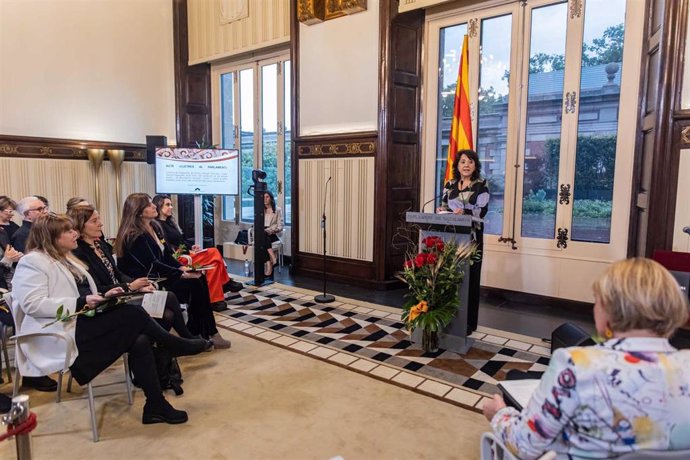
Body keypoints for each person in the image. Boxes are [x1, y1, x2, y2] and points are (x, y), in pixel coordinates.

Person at [483, 258, 690, 459]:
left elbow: (524, 446)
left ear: (609, 308)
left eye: (597, 301)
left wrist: (500, 414)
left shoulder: (576, 365)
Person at [12, 214, 209, 423]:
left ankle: (155, 405)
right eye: (68, 231)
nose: (75, 234)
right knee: (132, 314)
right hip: (53, 335)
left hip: (75, 323)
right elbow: (33, 304)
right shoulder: (32, 261)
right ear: (51, 237)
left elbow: (85, 292)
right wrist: (82, 302)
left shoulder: (64, 257)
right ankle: (174, 344)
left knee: (140, 340)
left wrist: (106, 296)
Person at [114, 193, 231, 348]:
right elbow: (153, 264)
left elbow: (166, 255)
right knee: (194, 284)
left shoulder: (154, 227)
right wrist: (181, 273)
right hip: (149, 281)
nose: (154, 206)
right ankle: (196, 334)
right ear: (140, 211)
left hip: (162, 274)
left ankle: (202, 331)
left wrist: (181, 267)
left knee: (199, 279)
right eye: (149, 205)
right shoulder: (134, 235)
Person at [68, 204, 197, 339]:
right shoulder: (80, 253)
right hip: (109, 300)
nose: (100, 224)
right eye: (94, 221)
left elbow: (118, 274)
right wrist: (130, 286)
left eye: (99, 219)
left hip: (122, 293)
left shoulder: (100, 245)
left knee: (168, 311)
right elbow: (96, 288)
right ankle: (184, 339)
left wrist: (137, 284)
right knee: (167, 308)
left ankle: (172, 348)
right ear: (80, 226)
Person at [152, 194, 242, 308]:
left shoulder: (171, 223)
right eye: (167, 205)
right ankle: (226, 282)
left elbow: (181, 241)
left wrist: (191, 247)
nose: (171, 207)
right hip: (178, 259)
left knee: (214, 264)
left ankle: (215, 300)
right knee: (214, 252)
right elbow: (169, 249)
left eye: (171, 204)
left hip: (186, 254)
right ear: (159, 206)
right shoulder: (157, 226)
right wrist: (186, 252)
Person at [437, 149, 489, 335]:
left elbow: (481, 211)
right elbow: (443, 207)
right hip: (451, 236)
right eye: (462, 162)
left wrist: (464, 213)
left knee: (470, 279)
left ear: (475, 165)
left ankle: (469, 323)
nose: (466, 165)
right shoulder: (450, 185)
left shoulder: (481, 185)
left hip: (472, 238)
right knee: (450, 276)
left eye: (470, 162)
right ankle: (448, 318)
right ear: (457, 166)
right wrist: (441, 210)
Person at [262, 191, 284, 279]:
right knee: (263, 235)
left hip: (273, 234)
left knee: (264, 235)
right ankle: (272, 260)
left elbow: (280, 226)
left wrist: (272, 230)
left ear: (271, 198)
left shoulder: (277, 210)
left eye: (267, 197)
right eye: (263, 197)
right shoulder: (261, 209)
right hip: (263, 234)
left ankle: (269, 263)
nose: (265, 199)